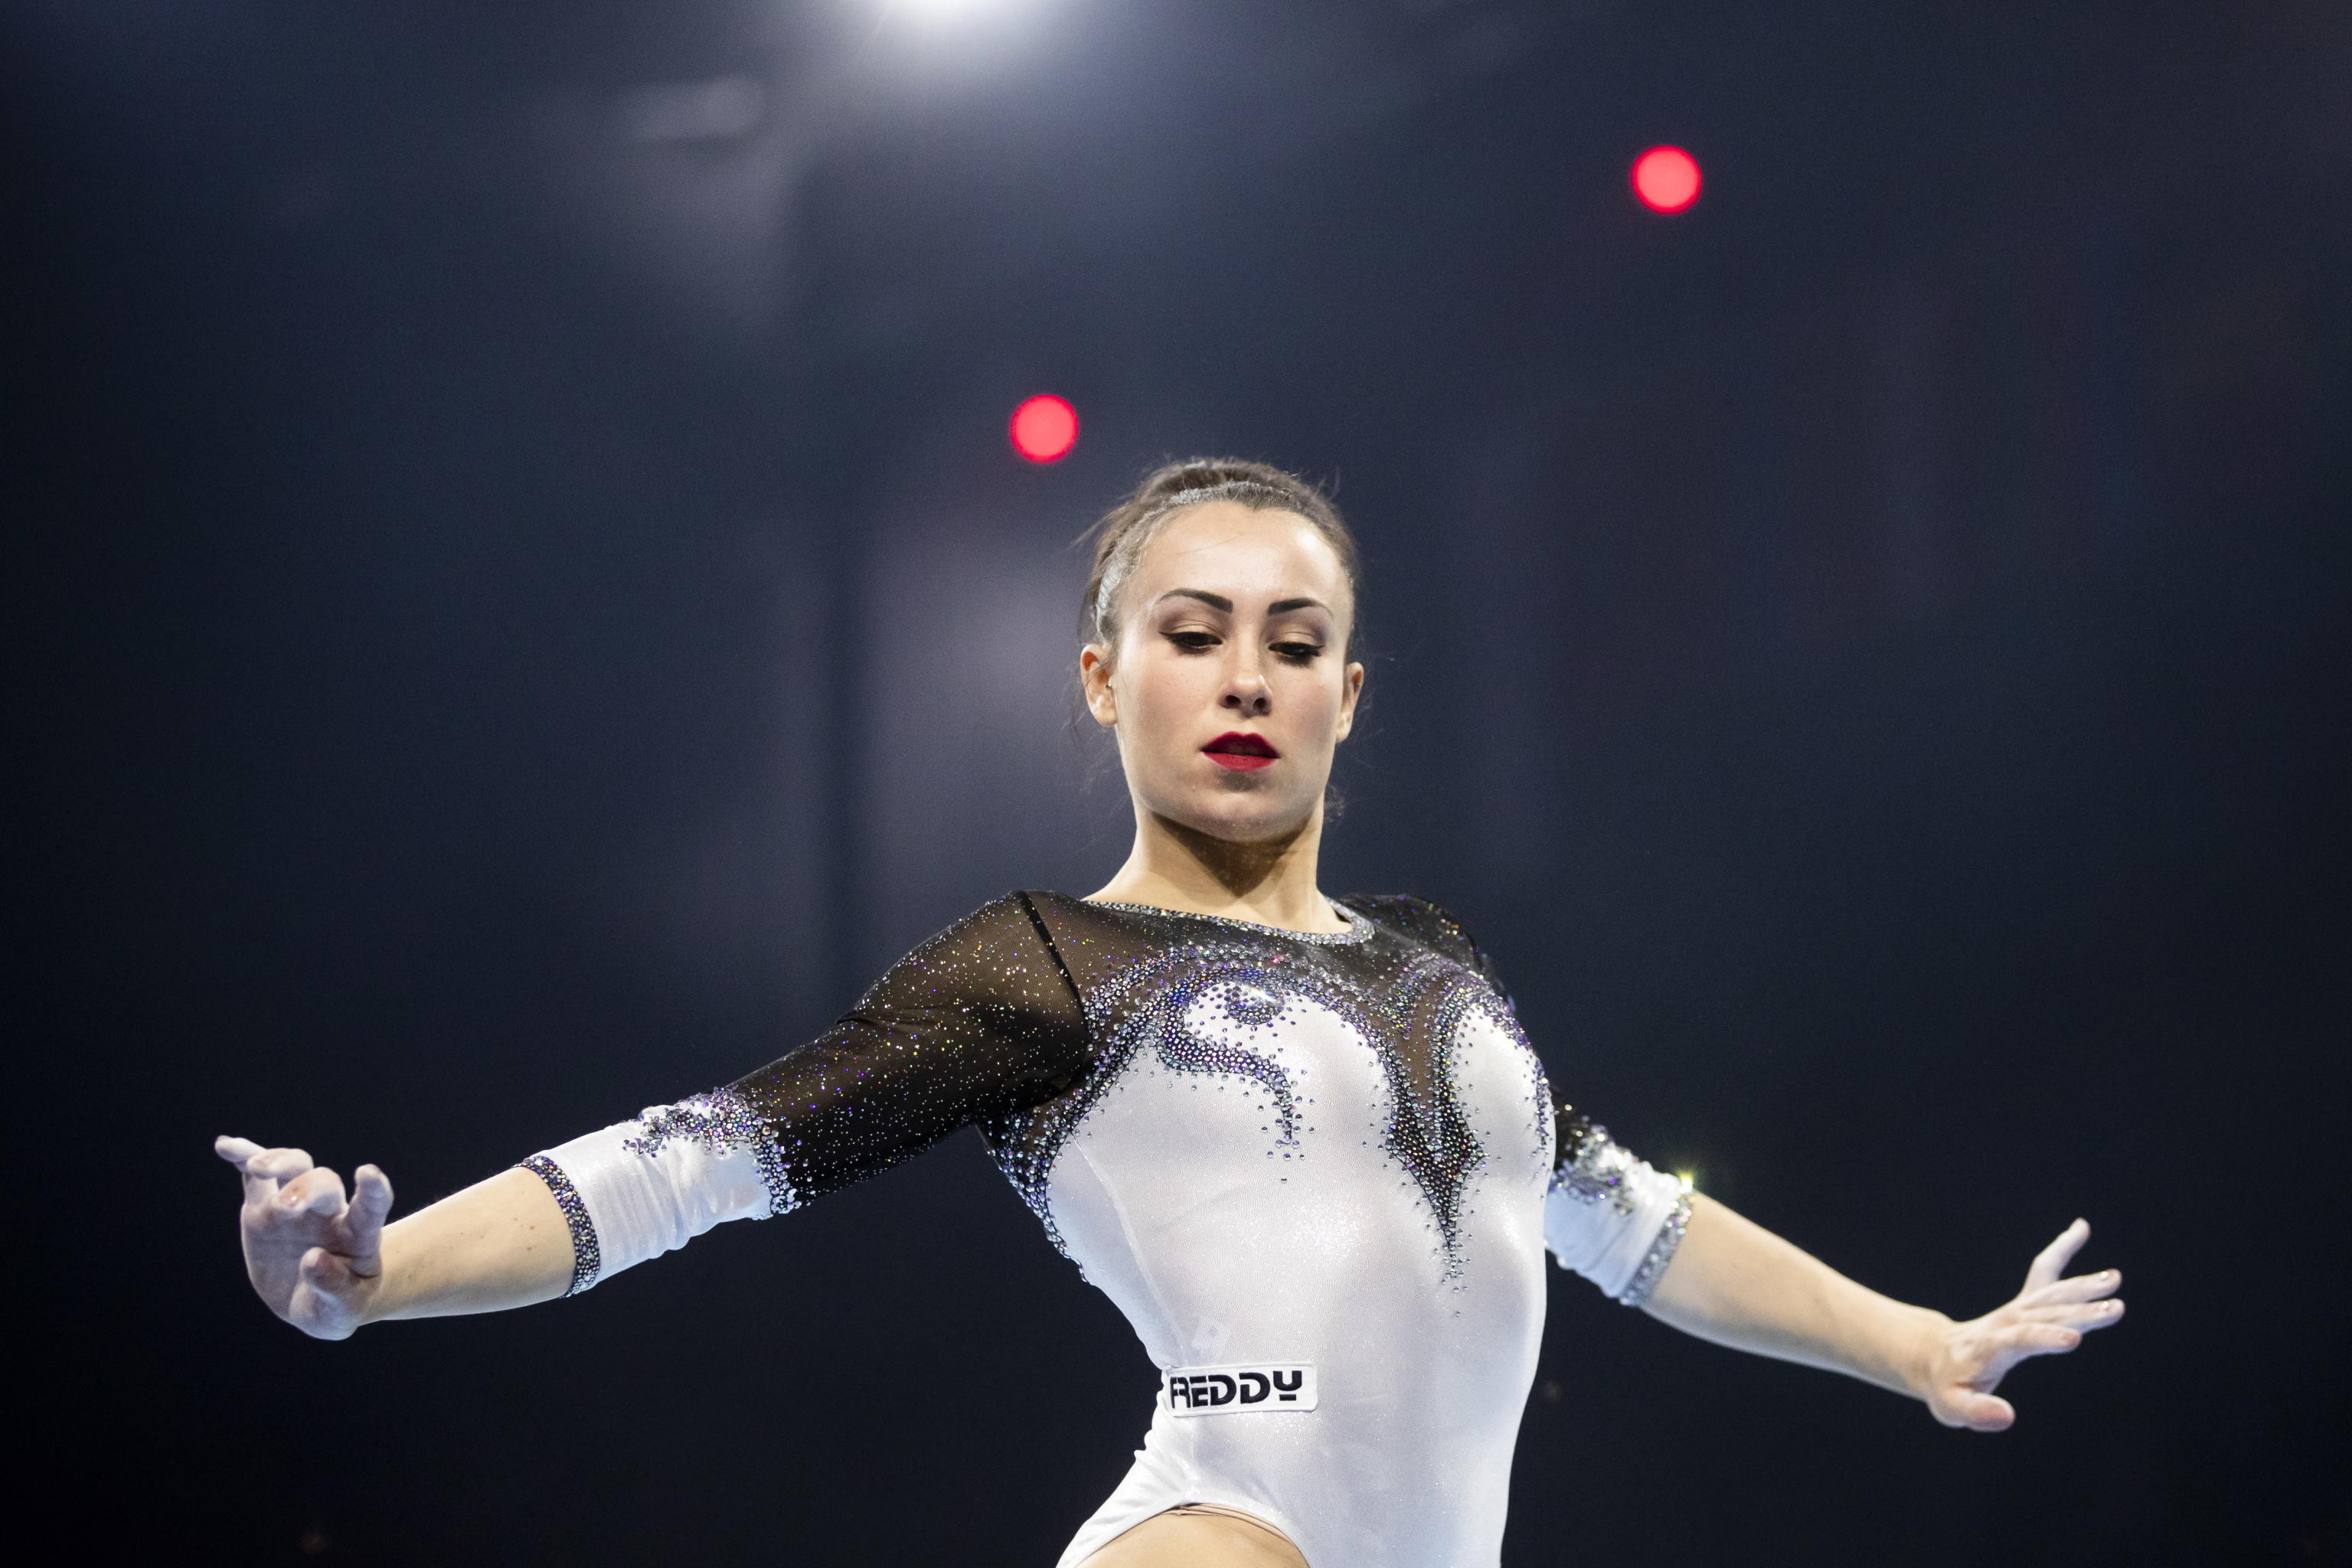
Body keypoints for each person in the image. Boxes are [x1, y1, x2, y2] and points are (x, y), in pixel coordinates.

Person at [217, 459, 2124, 1568]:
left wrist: (1910, 1339)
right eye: (1191, 632)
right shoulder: (1043, 969)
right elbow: (690, 1164)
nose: (1244, 677)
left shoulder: (1435, 953)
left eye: (1293, 644)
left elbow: (1627, 1222)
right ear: (1099, 674)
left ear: (1351, 696)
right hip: (1232, 1521)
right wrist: (367, 1278)